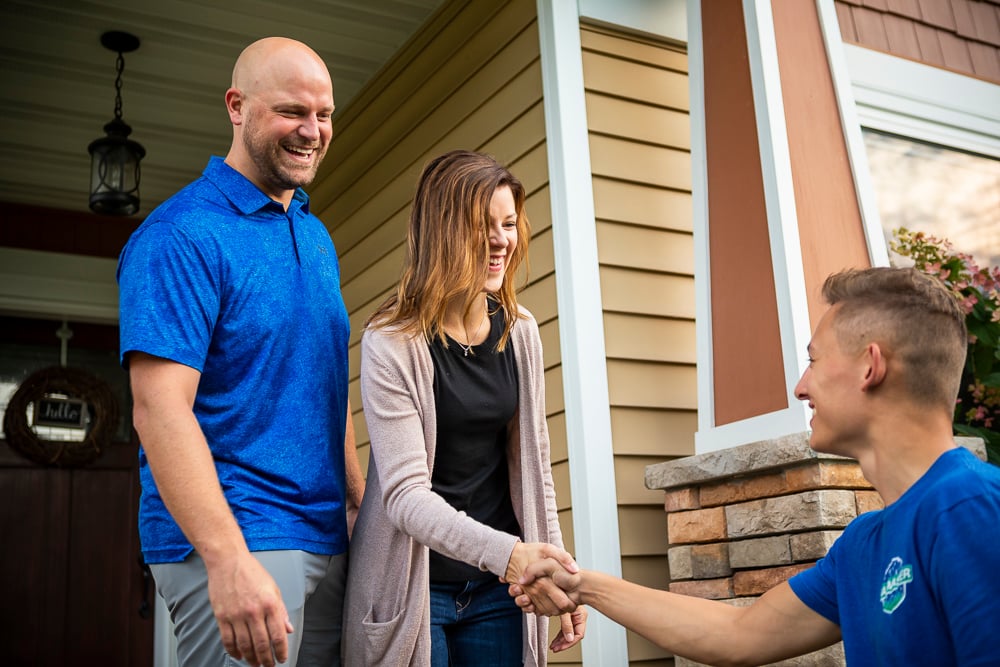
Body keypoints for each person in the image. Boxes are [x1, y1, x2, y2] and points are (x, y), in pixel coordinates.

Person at [513, 267, 1000, 665]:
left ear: (870, 367)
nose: (800, 387)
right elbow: (739, 633)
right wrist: (584, 586)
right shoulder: (863, 545)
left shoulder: (970, 509)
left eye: (813, 360)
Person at [117, 37, 364, 667]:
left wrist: (360, 503)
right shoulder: (180, 236)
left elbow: (322, 387)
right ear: (236, 106)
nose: (312, 131)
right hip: (239, 540)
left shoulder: (313, 234)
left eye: (324, 114)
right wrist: (226, 557)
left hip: (328, 537)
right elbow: (159, 411)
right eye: (292, 111)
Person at [342, 150, 587, 666]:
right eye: (483, 225)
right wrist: (513, 556)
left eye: (509, 223)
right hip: (415, 587)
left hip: (500, 592)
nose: (501, 240)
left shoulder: (521, 333)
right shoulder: (392, 342)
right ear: (444, 231)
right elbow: (406, 497)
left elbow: (536, 468)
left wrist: (560, 568)